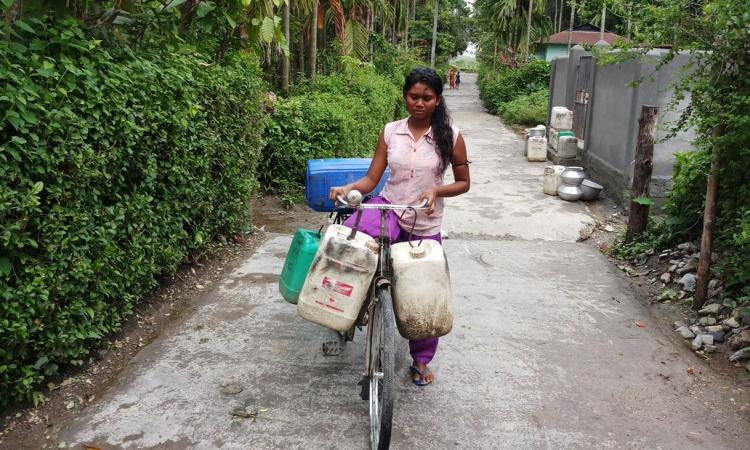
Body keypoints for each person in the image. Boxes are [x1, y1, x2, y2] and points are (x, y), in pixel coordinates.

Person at [329, 67, 471, 386]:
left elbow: (463, 183)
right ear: (405, 96)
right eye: (413, 96)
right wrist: (346, 188)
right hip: (389, 210)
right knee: (347, 247)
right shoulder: (391, 131)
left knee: (423, 294)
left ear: (437, 100)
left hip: (424, 220)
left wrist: (436, 190)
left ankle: (421, 360)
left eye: (427, 98)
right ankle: (350, 309)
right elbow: (371, 179)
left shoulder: (451, 135)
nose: (419, 103)